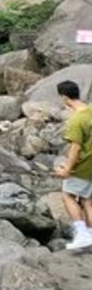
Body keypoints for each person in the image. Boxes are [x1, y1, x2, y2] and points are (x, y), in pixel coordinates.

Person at [55, 79, 92, 250]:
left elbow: (75, 148)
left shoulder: (76, 120)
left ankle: (82, 233)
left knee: (67, 195)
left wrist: (66, 169)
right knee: (87, 200)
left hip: (83, 167)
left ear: (64, 97)